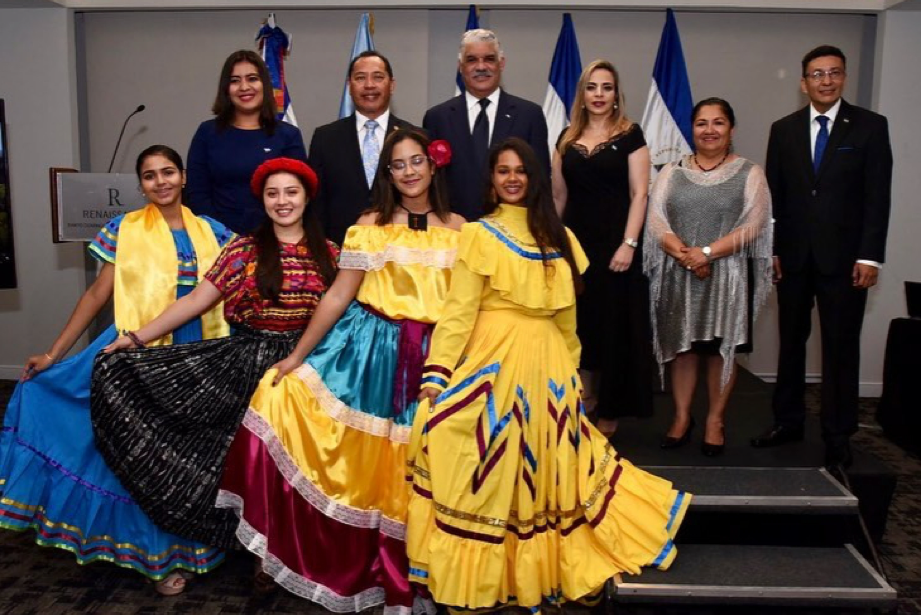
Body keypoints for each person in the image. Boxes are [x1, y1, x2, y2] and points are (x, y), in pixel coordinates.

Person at [408, 138, 690, 610]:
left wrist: (575, 375)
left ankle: (548, 567)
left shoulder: (561, 238)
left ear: (535, 179)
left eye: (521, 171)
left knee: (548, 464)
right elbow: (458, 314)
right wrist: (437, 376)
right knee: (487, 460)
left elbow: (567, 321)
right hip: (493, 359)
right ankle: (491, 578)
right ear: (491, 180)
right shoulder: (477, 234)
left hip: (549, 366)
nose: (512, 178)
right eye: (503, 171)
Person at [216, 129, 464, 611]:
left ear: (433, 167)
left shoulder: (460, 229)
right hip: (367, 356)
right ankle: (327, 561)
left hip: (434, 361)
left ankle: (419, 577)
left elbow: (468, 306)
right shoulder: (369, 224)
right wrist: (296, 357)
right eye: (399, 164)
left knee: (415, 469)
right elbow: (337, 295)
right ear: (387, 173)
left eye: (417, 161)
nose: (410, 171)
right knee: (343, 451)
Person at [0, 145, 233, 596]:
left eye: (168, 172)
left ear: (184, 177)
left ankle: (193, 545)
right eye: (149, 175)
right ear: (140, 184)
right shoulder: (124, 230)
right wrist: (53, 354)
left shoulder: (214, 231)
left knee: (187, 457)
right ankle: (156, 558)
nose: (160, 181)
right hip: (135, 354)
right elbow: (95, 297)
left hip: (197, 357)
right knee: (142, 455)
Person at [92, 158, 337, 555]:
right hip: (251, 365)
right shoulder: (242, 249)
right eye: (272, 193)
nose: (282, 201)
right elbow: (195, 301)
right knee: (247, 464)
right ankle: (257, 551)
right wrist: (136, 339)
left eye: (291, 192)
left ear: (307, 197)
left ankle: (294, 551)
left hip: (310, 368)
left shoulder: (331, 255)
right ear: (263, 201)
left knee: (301, 467)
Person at [751, 45, 893, 469]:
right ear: (804, 82)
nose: (825, 81)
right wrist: (771, 250)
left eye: (833, 73)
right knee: (791, 344)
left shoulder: (870, 127)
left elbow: (877, 198)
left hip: (847, 261)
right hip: (792, 259)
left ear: (844, 78)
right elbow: (771, 197)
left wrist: (870, 256)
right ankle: (788, 422)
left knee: (840, 349)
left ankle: (838, 434)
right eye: (817, 74)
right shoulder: (784, 129)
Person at [644, 98, 773, 457]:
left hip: (728, 277)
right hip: (678, 273)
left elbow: (754, 224)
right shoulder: (671, 171)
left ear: (731, 129)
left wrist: (706, 253)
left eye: (718, 122)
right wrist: (686, 255)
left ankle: (715, 420)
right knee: (682, 349)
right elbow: (655, 221)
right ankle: (682, 417)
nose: (710, 130)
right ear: (692, 129)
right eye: (702, 123)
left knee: (719, 350)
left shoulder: (751, 173)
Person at [552, 59, 653, 436]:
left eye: (606, 87)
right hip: (576, 247)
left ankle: (611, 408)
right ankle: (585, 399)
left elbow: (640, 193)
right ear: (582, 94)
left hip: (617, 246)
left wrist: (629, 244)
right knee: (580, 325)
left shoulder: (631, 134)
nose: (598, 94)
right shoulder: (565, 138)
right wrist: (552, 246)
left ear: (616, 94)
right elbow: (559, 197)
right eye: (592, 87)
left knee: (614, 328)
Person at [424, 28, 550, 220]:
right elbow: (430, 184)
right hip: (455, 230)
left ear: (502, 64)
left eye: (489, 59)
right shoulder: (437, 118)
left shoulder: (529, 115)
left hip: (513, 232)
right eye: (472, 59)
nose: (481, 67)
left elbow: (540, 183)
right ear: (460, 66)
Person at [187, 49, 307, 234]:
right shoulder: (207, 133)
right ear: (226, 88)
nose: (244, 87)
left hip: (275, 238)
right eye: (235, 81)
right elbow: (197, 193)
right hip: (217, 239)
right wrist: (221, 234)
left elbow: (296, 193)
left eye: (252, 78)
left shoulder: (287, 135)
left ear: (265, 85)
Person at [308, 50, 415, 246]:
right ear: (349, 86)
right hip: (339, 252)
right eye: (360, 78)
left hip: (400, 252)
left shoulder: (415, 137)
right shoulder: (325, 138)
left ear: (392, 85)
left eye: (378, 77)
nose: (369, 85)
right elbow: (316, 206)